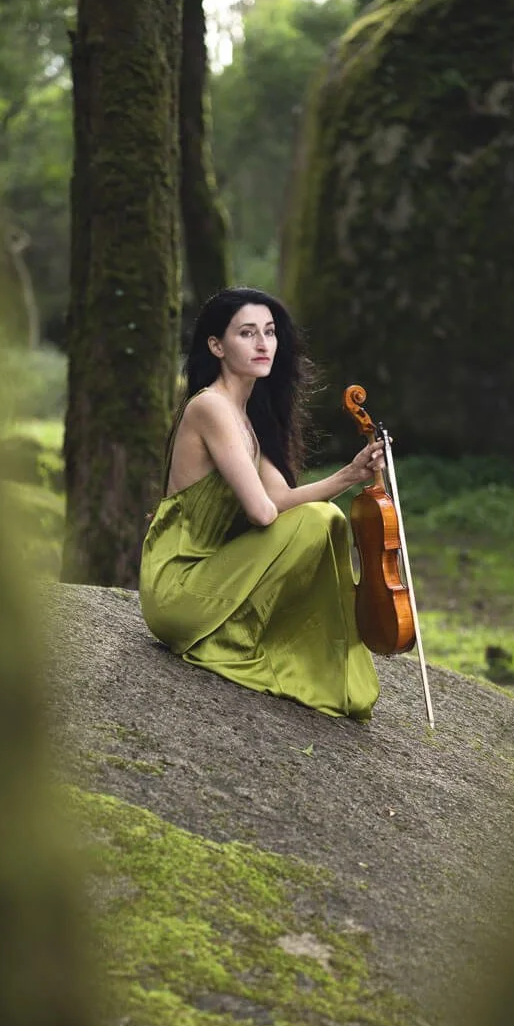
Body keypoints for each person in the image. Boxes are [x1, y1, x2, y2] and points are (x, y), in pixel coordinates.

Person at [138, 287, 384, 720]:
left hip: (210, 577)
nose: (263, 344)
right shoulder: (211, 407)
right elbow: (263, 511)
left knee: (328, 519)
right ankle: (233, 639)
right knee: (320, 519)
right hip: (178, 589)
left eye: (269, 332)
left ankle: (242, 633)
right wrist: (299, 510)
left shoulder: (247, 417)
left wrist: (351, 474)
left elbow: (281, 498)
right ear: (216, 346)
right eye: (247, 333)